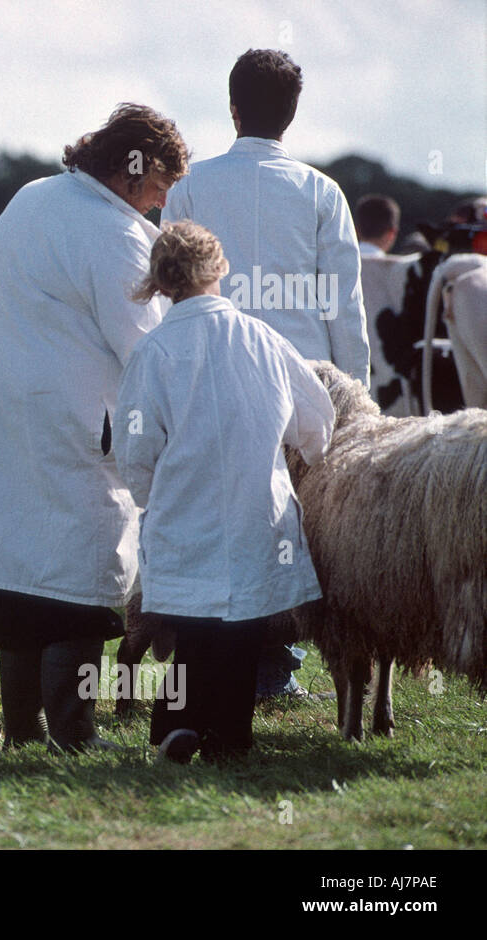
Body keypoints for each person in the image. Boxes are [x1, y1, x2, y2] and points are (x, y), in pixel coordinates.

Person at [0, 104, 190, 753]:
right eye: (161, 186)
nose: (162, 204)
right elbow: (145, 346)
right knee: (84, 575)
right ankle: (74, 735)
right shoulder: (117, 233)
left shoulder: (29, 198)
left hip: (4, 408)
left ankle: (22, 732)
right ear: (134, 171)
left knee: (23, 573)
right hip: (73, 415)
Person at [161, 48, 369, 699]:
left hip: (213, 378)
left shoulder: (189, 188)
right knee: (300, 531)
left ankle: (224, 665)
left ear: (232, 107)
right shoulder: (321, 192)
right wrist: (356, 410)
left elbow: (170, 289)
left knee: (221, 524)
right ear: (293, 113)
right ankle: (274, 669)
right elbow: (346, 308)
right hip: (305, 387)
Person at [114, 221, 334, 762]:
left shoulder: (154, 352)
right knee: (240, 635)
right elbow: (317, 428)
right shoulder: (266, 340)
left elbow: (135, 450)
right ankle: (230, 737)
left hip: (184, 518)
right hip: (257, 516)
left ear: (162, 284)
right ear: (221, 269)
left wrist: (154, 498)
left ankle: (177, 729)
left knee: (191, 634)